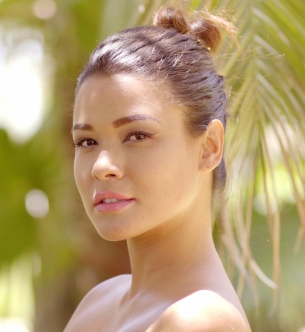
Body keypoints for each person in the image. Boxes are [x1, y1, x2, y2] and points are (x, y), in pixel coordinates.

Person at [65, 6, 251, 332]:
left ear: (209, 147)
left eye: (137, 135)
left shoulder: (199, 321)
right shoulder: (99, 303)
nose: (101, 166)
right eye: (86, 142)